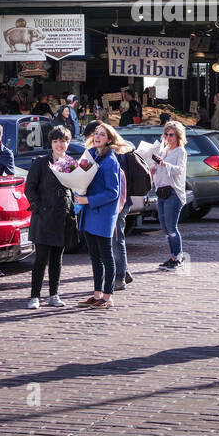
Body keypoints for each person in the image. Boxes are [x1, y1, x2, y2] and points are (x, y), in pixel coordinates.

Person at [23, 126, 76, 309]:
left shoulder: (70, 163)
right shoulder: (40, 162)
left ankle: (54, 294)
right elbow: (29, 187)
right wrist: (38, 207)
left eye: (63, 141)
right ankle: (35, 296)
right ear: (51, 143)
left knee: (57, 259)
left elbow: (76, 186)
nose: (60, 145)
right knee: (41, 258)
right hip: (44, 216)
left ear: (68, 143)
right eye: (56, 141)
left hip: (62, 215)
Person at [76, 121, 127, 308]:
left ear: (109, 140)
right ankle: (97, 294)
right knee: (94, 256)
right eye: (96, 133)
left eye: (102, 135)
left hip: (103, 214)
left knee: (106, 256)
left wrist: (87, 200)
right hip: (89, 213)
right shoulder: (91, 155)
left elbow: (112, 192)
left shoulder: (110, 160)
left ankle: (107, 297)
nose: (98, 137)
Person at [149, 121, 189, 270]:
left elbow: (179, 170)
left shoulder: (181, 151)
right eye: (166, 134)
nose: (168, 137)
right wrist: (153, 168)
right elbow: (158, 168)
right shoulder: (163, 149)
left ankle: (178, 257)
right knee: (165, 228)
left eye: (171, 134)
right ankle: (173, 256)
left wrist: (165, 164)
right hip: (161, 191)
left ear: (178, 135)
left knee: (172, 227)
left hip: (173, 192)